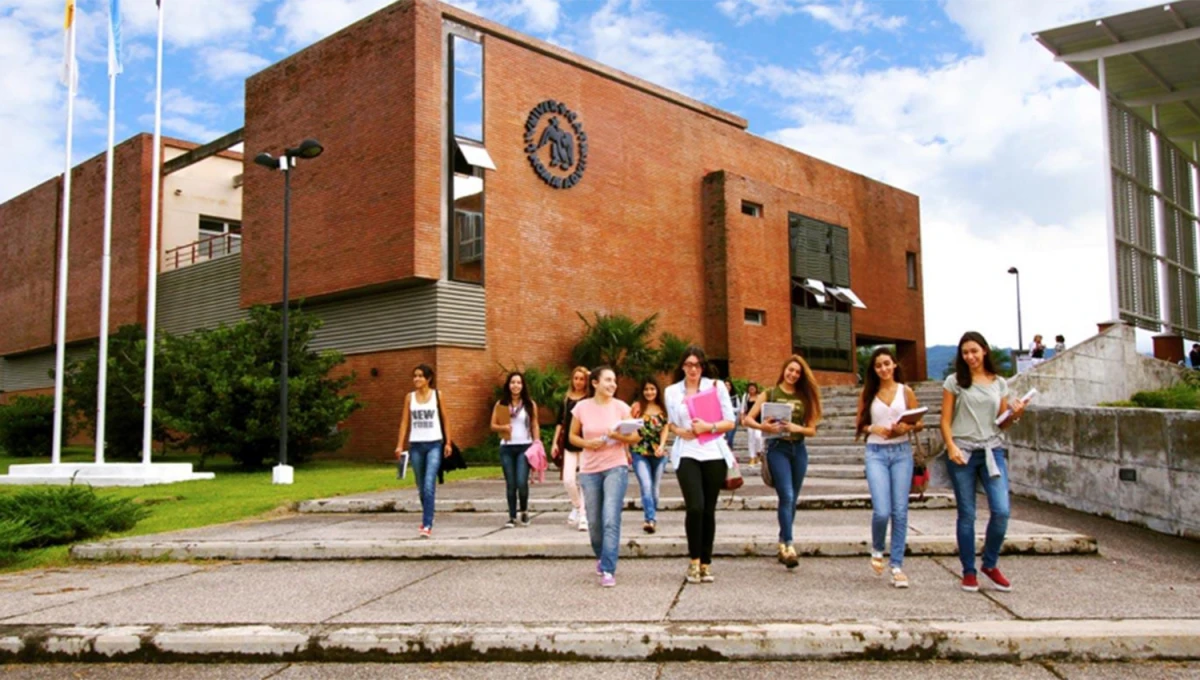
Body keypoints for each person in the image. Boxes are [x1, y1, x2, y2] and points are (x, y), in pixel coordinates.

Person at [940, 331, 1026, 593]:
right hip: (963, 451)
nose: (970, 356)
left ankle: (990, 563)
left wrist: (1015, 413)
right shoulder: (954, 382)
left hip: (992, 450)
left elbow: (1003, 422)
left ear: (984, 351)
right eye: (965, 352)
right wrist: (951, 445)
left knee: (1001, 510)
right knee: (967, 513)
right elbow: (944, 420)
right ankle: (968, 571)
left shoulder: (998, 382)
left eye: (974, 351)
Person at [665, 345, 736, 584]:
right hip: (687, 452)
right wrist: (678, 430)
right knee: (694, 506)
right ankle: (693, 560)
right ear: (682, 367)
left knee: (708, 509)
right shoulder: (672, 391)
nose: (692, 369)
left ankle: (706, 562)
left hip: (713, 451)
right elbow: (671, 422)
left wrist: (709, 427)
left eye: (697, 365)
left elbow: (730, 421)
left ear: (702, 366)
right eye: (688, 364)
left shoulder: (715, 387)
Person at [744, 354, 822, 571]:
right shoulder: (769, 393)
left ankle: (782, 541)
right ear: (784, 370)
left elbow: (812, 429)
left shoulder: (805, 397)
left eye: (797, 372)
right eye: (790, 370)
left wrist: (797, 428)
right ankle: (789, 544)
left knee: (792, 498)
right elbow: (747, 418)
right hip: (777, 448)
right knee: (785, 495)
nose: (793, 374)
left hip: (798, 448)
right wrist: (764, 427)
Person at [569, 366, 639, 587]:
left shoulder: (621, 407)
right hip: (589, 470)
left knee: (610, 517)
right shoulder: (581, 407)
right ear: (595, 383)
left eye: (614, 381)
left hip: (615, 467)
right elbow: (572, 436)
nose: (612, 385)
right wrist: (587, 443)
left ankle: (609, 568)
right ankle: (601, 555)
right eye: (608, 380)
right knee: (595, 522)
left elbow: (635, 436)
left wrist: (617, 435)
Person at [855, 348, 918, 588]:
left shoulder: (906, 391)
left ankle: (897, 565)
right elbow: (860, 424)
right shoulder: (869, 393)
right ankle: (878, 547)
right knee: (882, 510)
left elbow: (918, 421)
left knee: (900, 511)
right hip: (876, 452)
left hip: (901, 451)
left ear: (894, 365)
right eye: (878, 365)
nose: (883, 369)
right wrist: (874, 428)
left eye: (887, 364)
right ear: (874, 369)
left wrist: (907, 428)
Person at [393, 364, 452, 538]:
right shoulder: (409, 398)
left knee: (428, 484)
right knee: (420, 486)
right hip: (416, 445)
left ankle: (427, 523)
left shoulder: (437, 396)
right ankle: (428, 513)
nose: (416, 379)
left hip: (434, 444)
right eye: (415, 376)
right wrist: (399, 444)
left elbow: (446, 419)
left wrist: (448, 442)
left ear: (428, 378)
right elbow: (404, 422)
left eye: (420, 376)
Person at [492, 372, 539, 528]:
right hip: (507, 446)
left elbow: (534, 424)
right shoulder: (501, 403)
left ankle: (524, 511)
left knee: (521, 481)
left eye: (519, 382)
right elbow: (493, 425)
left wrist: (537, 442)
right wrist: (502, 427)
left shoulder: (529, 404)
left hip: (524, 446)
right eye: (513, 382)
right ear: (508, 385)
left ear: (523, 385)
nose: (516, 385)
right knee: (510, 483)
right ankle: (512, 516)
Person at [552, 366, 590, 532]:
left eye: (582, 379)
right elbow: (560, 422)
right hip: (568, 443)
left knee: (584, 480)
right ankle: (576, 505)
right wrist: (554, 443)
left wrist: (591, 375)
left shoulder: (590, 398)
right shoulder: (566, 399)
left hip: (585, 443)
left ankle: (583, 516)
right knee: (568, 479)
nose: (578, 382)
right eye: (576, 378)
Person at [629, 378, 670, 534]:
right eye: (646, 389)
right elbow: (629, 426)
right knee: (646, 485)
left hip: (658, 453)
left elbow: (666, 428)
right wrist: (629, 447)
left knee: (655, 488)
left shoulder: (663, 408)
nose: (649, 392)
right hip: (640, 452)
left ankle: (651, 516)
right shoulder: (637, 407)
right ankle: (650, 519)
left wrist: (662, 445)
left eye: (652, 389)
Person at [742, 383, 763, 466]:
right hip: (749, 420)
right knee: (751, 439)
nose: (751, 390)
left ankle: (758, 453)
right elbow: (743, 409)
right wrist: (742, 419)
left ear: (756, 389)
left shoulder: (760, 397)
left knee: (759, 438)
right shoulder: (746, 397)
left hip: (759, 421)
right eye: (750, 388)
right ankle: (752, 457)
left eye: (753, 388)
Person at [723, 379, 741, 448]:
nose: (727, 386)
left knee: (730, 438)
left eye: (728, 385)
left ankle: (729, 452)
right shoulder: (720, 396)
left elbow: (738, 408)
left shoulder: (735, 397)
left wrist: (730, 409)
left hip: (733, 419)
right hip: (723, 420)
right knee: (726, 438)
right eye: (725, 385)